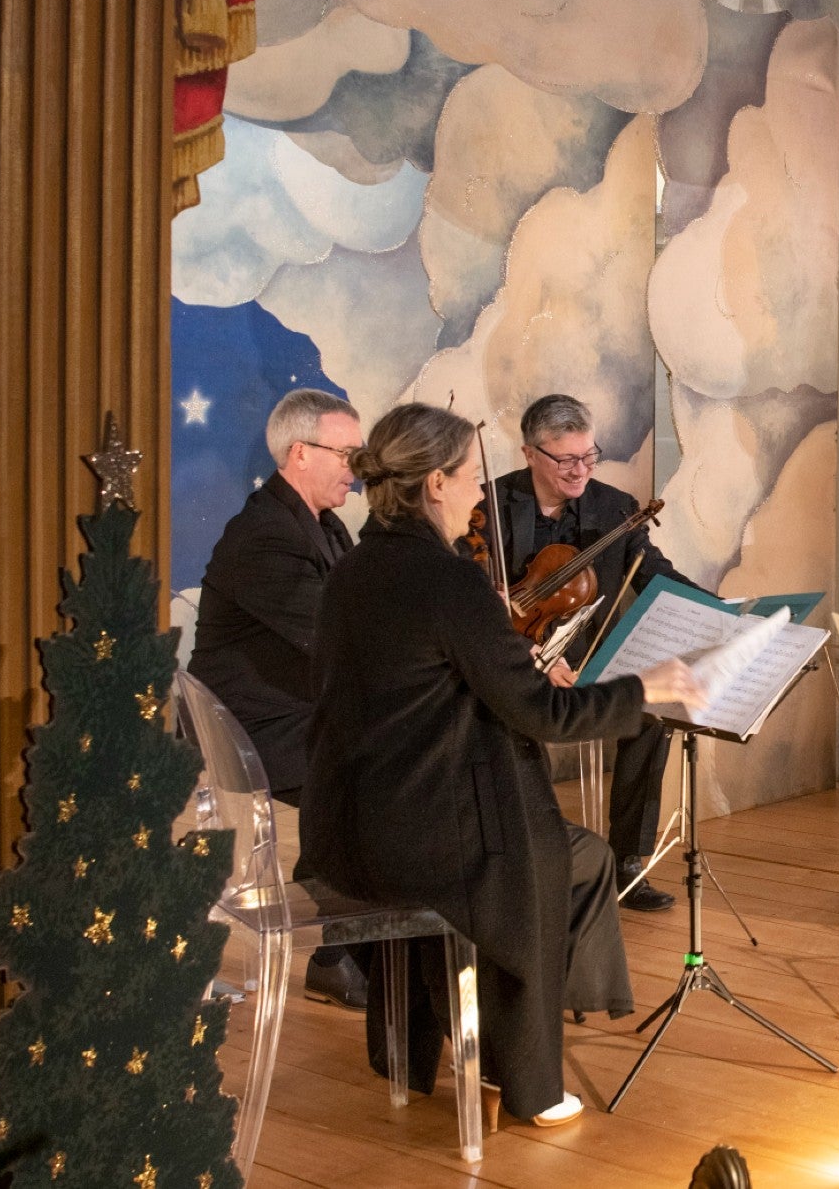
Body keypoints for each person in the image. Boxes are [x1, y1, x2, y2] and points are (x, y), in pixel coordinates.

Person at [301, 402, 698, 1128]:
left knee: (567, 851)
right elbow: (545, 717)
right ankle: (529, 1079)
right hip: (418, 841)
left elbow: (412, 693)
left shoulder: (353, 569)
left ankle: (456, 1038)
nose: (484, 494)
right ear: (435, 486)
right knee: (551, 854)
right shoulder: (451, 583)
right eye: (469, 479)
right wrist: (645, 690)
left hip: (347, 830)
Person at [186, 388, 371, 1009]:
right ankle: (342, 952)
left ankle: (361, 945)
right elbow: (336, 635)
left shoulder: (324, 526)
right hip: (250, 729)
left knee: (384, 755)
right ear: (300, 453)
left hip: (294, 712)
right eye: (348, 454)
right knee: (374, 772)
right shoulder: (265, 535)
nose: (357, 468)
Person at [489, 392, 700, 913]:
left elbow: (656, 574)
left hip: (592, 655)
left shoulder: (614, 509)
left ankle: (629, 864)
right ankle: (525, 862)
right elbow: (473, 603)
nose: (580, 469)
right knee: (501, 720)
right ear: (530, 454)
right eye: (565, 459)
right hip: (520, 660)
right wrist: (531, 653)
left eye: (588, 456)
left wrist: (723, 610)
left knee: (653, 715)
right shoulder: (488, 508)